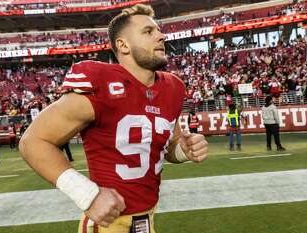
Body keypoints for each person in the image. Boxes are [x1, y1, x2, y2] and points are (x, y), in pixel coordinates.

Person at [19, 4, 208, 233]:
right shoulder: (101, 83)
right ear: (123, 45)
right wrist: (88, 195)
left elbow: (169, 145)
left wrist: (183, 150)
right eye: (148, 32)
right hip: (108, 224)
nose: (161, 36)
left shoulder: (173, 87)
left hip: (147, 220)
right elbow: (32, 141)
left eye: (158, 30)